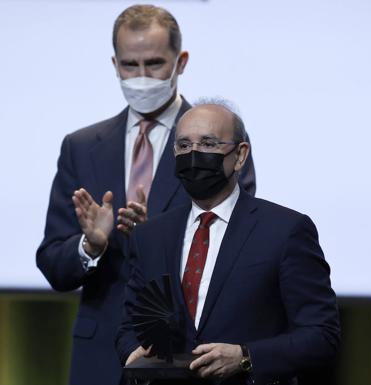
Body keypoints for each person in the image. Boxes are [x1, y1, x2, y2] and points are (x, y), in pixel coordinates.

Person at [36, 5, 256, 385]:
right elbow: (53, 262)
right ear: (114, 63)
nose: (141, 77)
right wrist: (91, 246)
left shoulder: (220, 139)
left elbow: (239, 245)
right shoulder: (81, 146)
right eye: (129, 66)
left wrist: (158, 235)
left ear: (180, 61)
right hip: (100, 355)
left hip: (190, 354)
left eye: (154, 64)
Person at [115, 101, 340, 385]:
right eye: (183, 145)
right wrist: (132, 353)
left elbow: (322, 335)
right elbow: (129, 326)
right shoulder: (151, 235)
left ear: (240, 155)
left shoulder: (285, 230)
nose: (193, 154)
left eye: (208, 144)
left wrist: (246, 357)